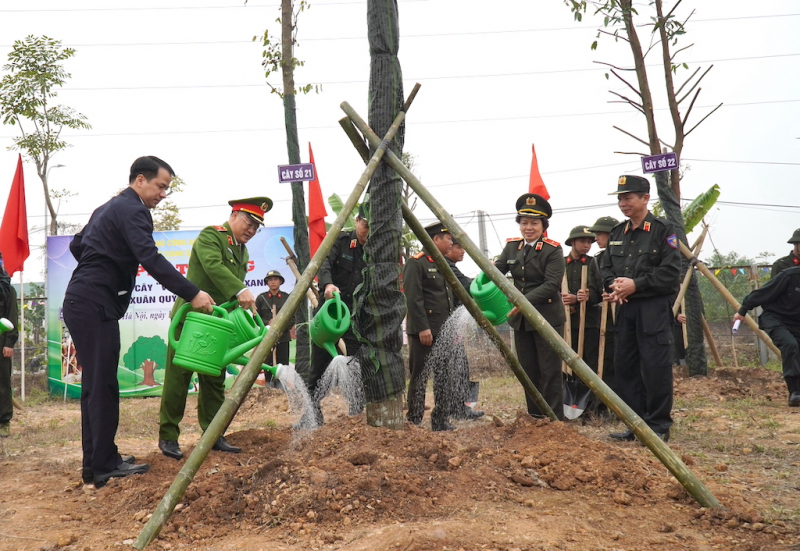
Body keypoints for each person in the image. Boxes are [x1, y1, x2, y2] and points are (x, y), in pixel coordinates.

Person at [63, 156, 215, 488]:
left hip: (84, 301)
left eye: (167, 189)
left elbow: (78, 245)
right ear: (140, 180)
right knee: (102, 387)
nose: (163, 194)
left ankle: (98, 463)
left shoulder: (109, 207)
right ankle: (103, 466)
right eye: (161, 186)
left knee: (96, 387)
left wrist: (104, 264)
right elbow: (150, 258)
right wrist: (192, 293)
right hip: (93, 304)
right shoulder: (134, 211)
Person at [158, 197, 272, 460]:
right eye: (248, 222)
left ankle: (213, 434)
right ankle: (168, 437)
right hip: (192, 320)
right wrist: (240, 289)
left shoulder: (242, 251)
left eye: (256, 228)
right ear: (234, 215)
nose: (251, 231)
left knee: (214, 380)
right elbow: (213, 266)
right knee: (179, 379)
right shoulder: (212, 236)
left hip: (218, 324)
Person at [601, 175, 680, 443]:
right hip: (624, 308)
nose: (623, 203)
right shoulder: (616, 233)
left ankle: (658, 426)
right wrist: (615, 285)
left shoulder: (662, 230)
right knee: (625, 367)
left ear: (645, 198)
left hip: (653, 309)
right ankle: (635, 423)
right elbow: (605, 268)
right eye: (620, 198)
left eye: (628, 198)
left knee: (655, 367)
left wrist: (637, 285)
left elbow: (671, 272)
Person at [495, 194, 565, 421]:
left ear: (544, 226)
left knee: (550, 370)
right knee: (528, 371)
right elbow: (497, 271)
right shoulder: (512, 247)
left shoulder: (553, 250)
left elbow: (552, 284)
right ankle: (534, 417)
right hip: (521, 320)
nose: (528, 227)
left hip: (546, 317)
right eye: (524, 222)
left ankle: (554, 419)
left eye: (534, 223)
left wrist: (522, 303)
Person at [305, 203, 370, 424]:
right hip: (329, 313)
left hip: (355, 318)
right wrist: (328, 285)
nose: (368, 232)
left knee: (355, 365)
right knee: (319, 366)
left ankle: (356, 414)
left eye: (373, 228)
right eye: (365, 226)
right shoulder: (340, 241)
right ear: (357, 221)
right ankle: (311, 414)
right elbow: (324, 264)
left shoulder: (374, 251)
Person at [404, 221, 457, 431]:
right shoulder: (416, 263)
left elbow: (450, 298)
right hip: (424, 332)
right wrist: (422, 328)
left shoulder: (445, 264)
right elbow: (414, 299)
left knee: (444, 376)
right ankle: (414, 419)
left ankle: (440, 420)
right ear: (435, 239)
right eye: (448, 239)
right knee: (420, 376)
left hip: (444, 331)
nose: (451, 242)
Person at [734, 266, 800, 407]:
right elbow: (762, 293)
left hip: (797, 323)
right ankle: (794, 392)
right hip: (776, 318)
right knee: (790, 345)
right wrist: (742, 311)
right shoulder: (789, 275)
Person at [444, 239, 484, 421]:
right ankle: (453, 408)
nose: (463, 251)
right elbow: (466, 286)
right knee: (451, 370)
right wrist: (485, 277)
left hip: (454, 327)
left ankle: (459, 407)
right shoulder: (446, 265)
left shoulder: (450, 265)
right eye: (459, 247)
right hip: (445, 326)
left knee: (460, 368)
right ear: (448, 246)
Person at [587, 216, 620, 401]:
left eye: (600, 234)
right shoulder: (597, 261)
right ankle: (608, 404)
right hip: (605, 318)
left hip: (624, 313)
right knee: (606, 359)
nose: (596, 238)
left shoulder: (624, 255)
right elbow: (595, 291)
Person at [562, 225, 601, 373]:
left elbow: (599, 292)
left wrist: (582, 298)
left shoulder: (593, 263)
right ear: (572, 242)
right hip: (566, 322)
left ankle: (590, 395)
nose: (586, 245)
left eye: (590, 242)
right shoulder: (561, 263)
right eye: (582, 241)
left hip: (588, 321)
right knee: (567, 361)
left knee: (589, 362)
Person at [256, 269, 293, 368]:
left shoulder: (287, 298)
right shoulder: (261, 298)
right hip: (266, 337)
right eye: (270, 279)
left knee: (283, 366)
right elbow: (256, 318)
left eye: (275, 279)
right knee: (267, 365)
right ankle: (269, 383)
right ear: (266, 282)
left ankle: (282, 384)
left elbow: (293, 318)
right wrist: (268, 323)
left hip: (283, 337)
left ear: (280, 281)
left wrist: (280, 326)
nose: (273, 282)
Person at [0, 260, 16, 439]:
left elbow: (11, 317)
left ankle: (4, 421)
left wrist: (9, 343)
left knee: (2, 382)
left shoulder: (6, 289)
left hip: (1, 342)